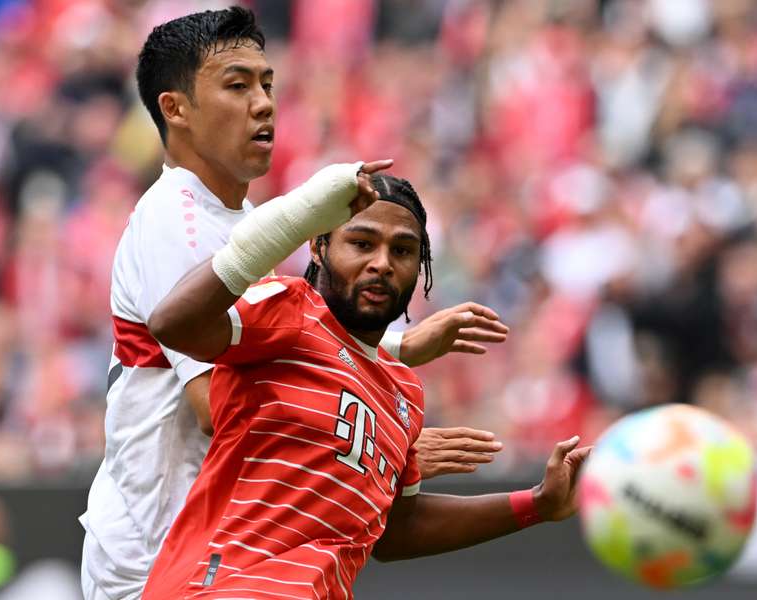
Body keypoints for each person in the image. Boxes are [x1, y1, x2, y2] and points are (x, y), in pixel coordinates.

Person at [79, 7, 507, 599]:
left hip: (220, 557)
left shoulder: (241, 223)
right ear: (174, 109)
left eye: (267, 83)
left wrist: (396, 347)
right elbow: (219, 402)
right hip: (160, 554)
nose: (263, 103)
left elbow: (285, 339)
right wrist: (371, 443)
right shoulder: (172, 218)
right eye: (237, 86)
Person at [142, 163, 590, 599]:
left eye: (402, 250)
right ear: (318, 249)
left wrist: (536, 504)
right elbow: (174, 324)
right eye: (361, 243)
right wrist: (293, 219)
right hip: (225, 586)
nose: (382, 264)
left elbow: (397, 532)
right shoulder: (287, 309)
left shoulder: (405, 393)